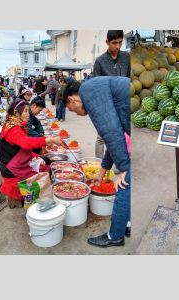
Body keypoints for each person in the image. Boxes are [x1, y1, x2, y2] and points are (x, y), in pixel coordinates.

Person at [63, 77, 131, 247]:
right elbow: (111, 138)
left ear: (72, 100)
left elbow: (111, 132)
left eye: (71, 110)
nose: (75, 114)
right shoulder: (93, 89)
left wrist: (123, 168)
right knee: (128, 180)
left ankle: (115, 236)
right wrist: (102, 171)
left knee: (124, 184)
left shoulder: (89, 93)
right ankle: (127, 224)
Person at [0, 99, 67, 208]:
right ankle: (34, 201)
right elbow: (25, 143)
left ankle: (37, 198)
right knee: (45, 169)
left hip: (15, 160)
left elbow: (23, 147)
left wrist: (38, 157)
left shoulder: (14, 123)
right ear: (16, 113)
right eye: (25, 111)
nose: (28, 114)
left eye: (28, 111)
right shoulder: (13, 128)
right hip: (11, 167)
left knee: (46, 162)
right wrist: (50, 140)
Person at [92, 30, 131, 161]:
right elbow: (96, 86)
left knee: (121, 136)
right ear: (107, 42)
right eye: (114, 43)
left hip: (123, 105)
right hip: (106, 105)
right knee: (102, 137)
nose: (118, 46)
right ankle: (98, 161)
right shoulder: (100, 61)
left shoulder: (126, 57)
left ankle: (119, 162)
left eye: (120, 42)